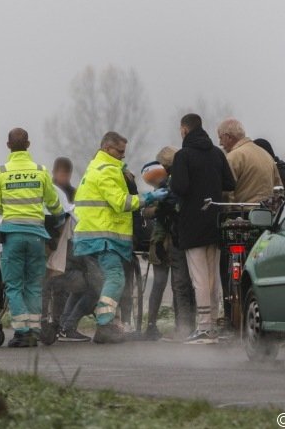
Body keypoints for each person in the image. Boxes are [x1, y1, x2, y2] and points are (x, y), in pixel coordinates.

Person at [73, 131, 167, 344]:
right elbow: (121, 203)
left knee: (106, 281)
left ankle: (107, 323)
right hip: (104, 236)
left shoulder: (95, 167)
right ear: (107, 148)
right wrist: (149, 197)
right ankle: (104, 323)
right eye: (120, 151)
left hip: (94, 235)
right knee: (115, 278)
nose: (123, 156)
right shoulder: (107, 171)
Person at [0, 128, 64, 348]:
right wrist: (57, 217)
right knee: (34, 284)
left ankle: (22, 332)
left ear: (8, 145)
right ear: (28, 144)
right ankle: (34, 330)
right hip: (37, 236)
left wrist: (10, 212)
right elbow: (54, 203)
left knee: (14, 285)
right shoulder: (41, 171)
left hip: (12, 235)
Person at [171, 114, 236, 344]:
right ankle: (214, 324)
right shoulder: (217, 154)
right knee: (212, 278)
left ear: (184, 130)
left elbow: (179, 187)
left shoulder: (183, 156)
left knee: (198, 277)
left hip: (192, 223)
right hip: (215, 221)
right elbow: (230, 183)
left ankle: (204, 327)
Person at [155, 146, 196, 340]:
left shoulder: (170, 185)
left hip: (177, 238)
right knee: (193, 282)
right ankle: (193, 325)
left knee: (179, 284)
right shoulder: (190, 179)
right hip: (192, 235)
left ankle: (183, 328)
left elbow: (163, 214)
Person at [41, 157, 77, 335]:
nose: (63, 177)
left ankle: (56, 322)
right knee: (46, 286)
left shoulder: (73, 194)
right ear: (54, 172)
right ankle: (44, 322)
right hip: (50, 242)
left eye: (66, 174)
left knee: (60, 286)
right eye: (60, 173)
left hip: (64, 247)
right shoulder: (49, 190)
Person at [140, 161, 171, 340]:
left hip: (161, 242)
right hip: (167, 242)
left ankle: (151, 324)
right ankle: (153, 325)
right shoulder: (171, 185)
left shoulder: (160, 191)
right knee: (171, 283)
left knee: (160, 284)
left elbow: (146, 212)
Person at [217, 118, 282, 204]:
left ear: (228, 137)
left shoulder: (233, 157)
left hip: (241, 214)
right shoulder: (266, 155)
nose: (220, 143)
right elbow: (278, 189)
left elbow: (227, 193)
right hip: (266, 214)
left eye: (220, 138)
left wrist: (226, 213)